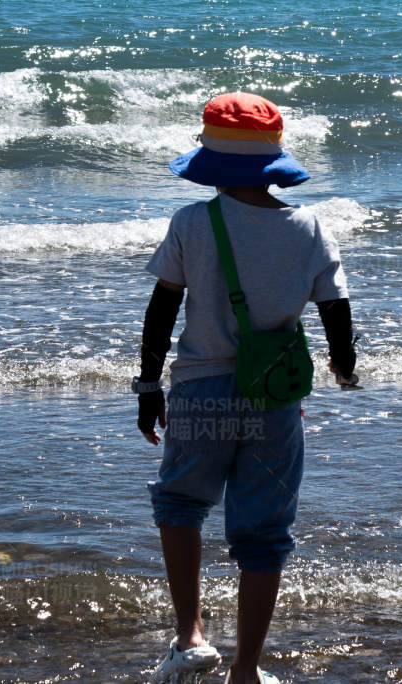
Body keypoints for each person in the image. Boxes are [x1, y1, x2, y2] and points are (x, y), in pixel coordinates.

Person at [134, 91, 359, 684]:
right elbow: (336, 308)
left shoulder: (192, 223)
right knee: (262, 533)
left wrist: (147, 384)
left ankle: (190, 640)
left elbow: (162, 310)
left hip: (200, 389)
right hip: (275, 398)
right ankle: (246, 670)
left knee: (181, 507)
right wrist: (344, 366)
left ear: (211, 162)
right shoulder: (307, 226)